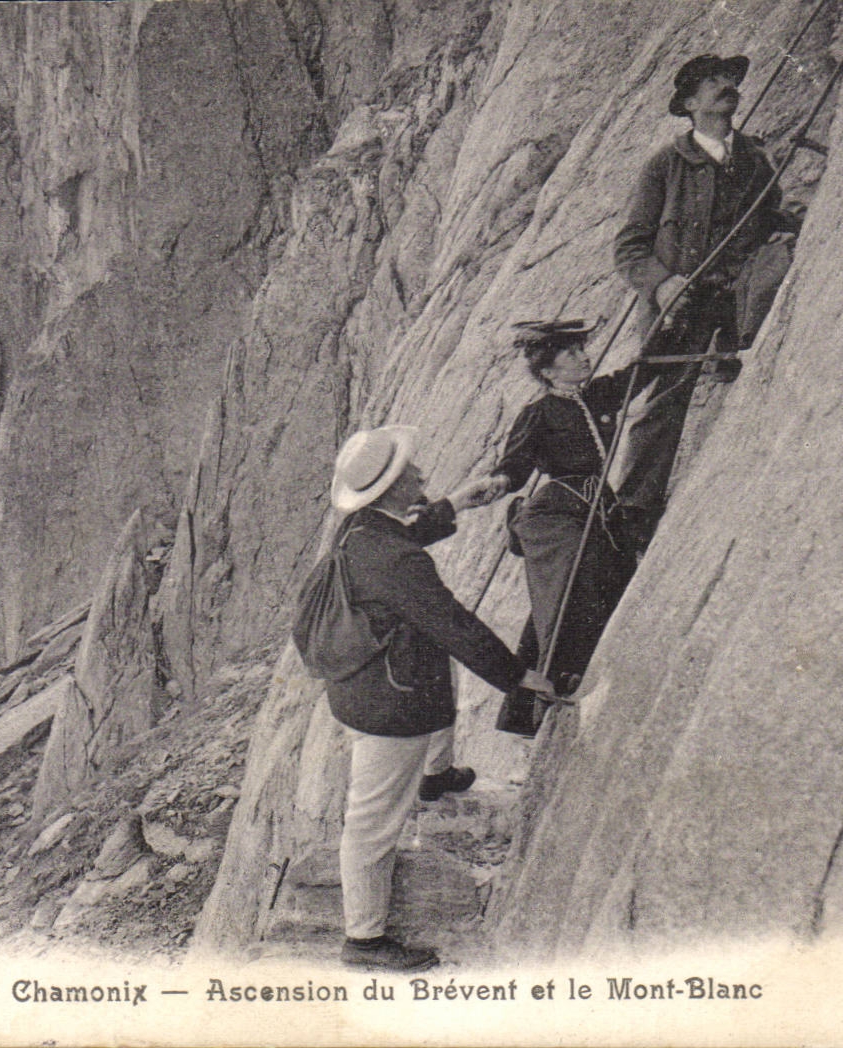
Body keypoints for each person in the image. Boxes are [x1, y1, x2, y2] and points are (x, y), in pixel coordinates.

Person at [321, 425, 554, 971]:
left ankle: (436, 774)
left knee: (438, 672)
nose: (424, 476)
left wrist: (454, 503)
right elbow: (456, 625)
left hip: (369, 680)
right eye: (414, 474)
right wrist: (519, 676)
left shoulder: (359, 529)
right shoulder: (398, 563)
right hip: (387, 703)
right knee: (373, 820)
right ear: (394, 490)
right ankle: (364, 941)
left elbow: (402, 537)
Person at [612, 52, 792, 549]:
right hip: (683, 305)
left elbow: (768, 216)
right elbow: (629, 246)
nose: (725, 87)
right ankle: (632, 516)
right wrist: (662, 283)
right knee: (664, 402)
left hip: (736, 296)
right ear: (690, 104)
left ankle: (734, 349)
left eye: (729, 81)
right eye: (712, 82)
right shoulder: (665, 166)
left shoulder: (755, 158)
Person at [484, 320, 661, 732]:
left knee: (592, 584)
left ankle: (527, 708)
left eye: (582, 350)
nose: (584, 358)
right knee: (573, 585)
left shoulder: (596, 394)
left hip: (596, 506)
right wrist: (499, 482)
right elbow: (514, 466)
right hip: (556, 511)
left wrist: (669, 325)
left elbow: (639, 372)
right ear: (547, 370)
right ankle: (557, 682)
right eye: (572, 353)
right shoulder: (539, 413)